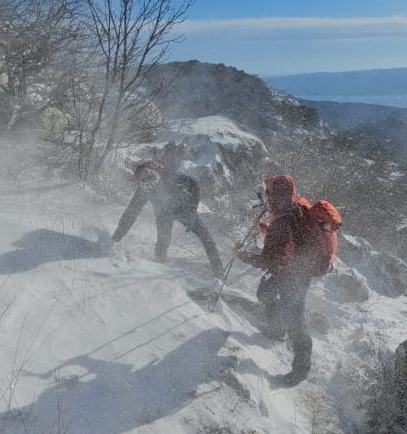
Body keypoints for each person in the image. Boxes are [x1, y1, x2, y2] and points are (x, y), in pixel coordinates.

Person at [234, 174, 315, 386]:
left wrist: (241, 256)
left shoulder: (281, 221)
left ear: (275, 196)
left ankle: (301, 370)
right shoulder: (294, 210)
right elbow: (288, 239)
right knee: (265, 292)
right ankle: (277, 330)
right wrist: (265, 229)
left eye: (268, 194)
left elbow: (266, 260)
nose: (266, 198)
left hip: (293, 275)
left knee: (295, 319)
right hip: (294, 270)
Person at [111, 143, 224, 279]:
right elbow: (131, 213)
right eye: (146, 185)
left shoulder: (170, 176)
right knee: (163, 241)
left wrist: (192, 209)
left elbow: (194, 185)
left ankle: (219, 275)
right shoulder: (142, 190)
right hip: (164, 214)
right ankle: (160, 267)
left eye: (153, 185)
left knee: (207, 240)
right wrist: (115, 238)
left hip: (184, 210)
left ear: (157, 177)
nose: (150, 188)